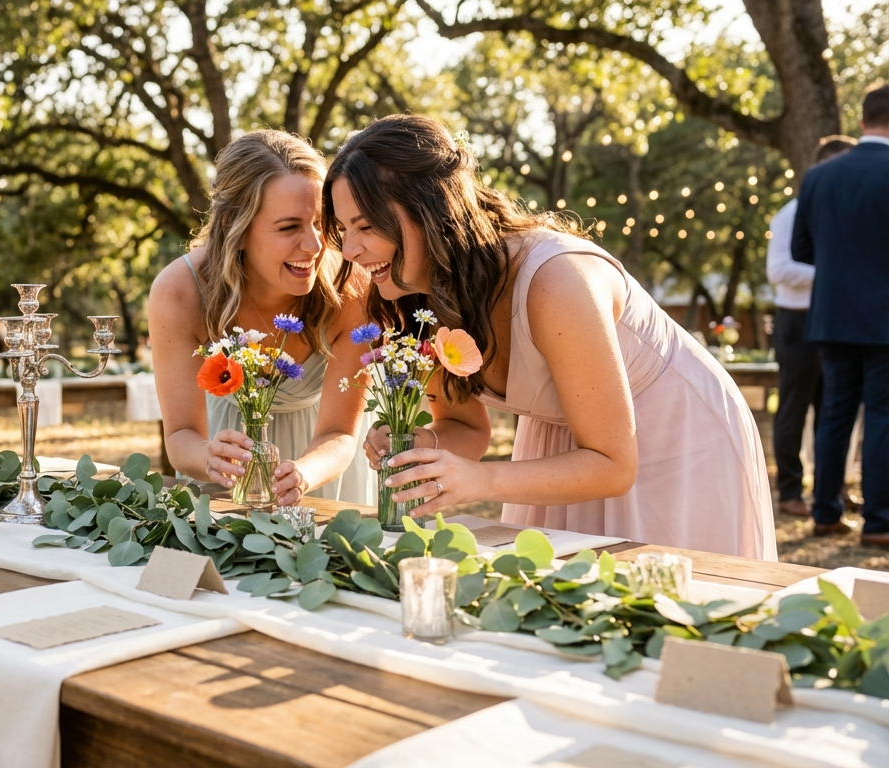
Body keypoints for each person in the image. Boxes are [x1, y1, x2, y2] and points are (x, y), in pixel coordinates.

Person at [327, 114, 775, 560]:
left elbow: (613, 463)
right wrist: (427, 448)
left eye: (366, 227)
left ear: (431, 209)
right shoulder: (415, 298)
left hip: (674, 439)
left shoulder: (555, 280)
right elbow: (465, 427)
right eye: (344, 230)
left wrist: (478, 480)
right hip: (564, 452)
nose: (349, 250)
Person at [148, 130, 372, 505]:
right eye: (289, 227)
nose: (315, 246)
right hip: (229, 477)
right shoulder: (179, 293)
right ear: (233, 227)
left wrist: (302, 474)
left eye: (320, 222)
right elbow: (180, 435)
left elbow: (340, 432)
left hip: (327, 471)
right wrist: (208, 457)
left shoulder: (350, 286)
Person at [792, 84, 889, 548]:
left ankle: (825, 512)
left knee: (835, 414)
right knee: (883, 415)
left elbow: (800, 249)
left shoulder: (818, 177)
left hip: (832, 314)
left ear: (864, 118)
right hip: (885, 317)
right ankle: (879, 521)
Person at [766, 136, 858, 519]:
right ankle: (789, 491)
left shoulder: (842, 214)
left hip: (832, 321)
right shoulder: (791, 212)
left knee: (832, 410)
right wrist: (833, 276)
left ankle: (830, 490)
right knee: (793, 408)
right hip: (797, 322)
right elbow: (778, 270)